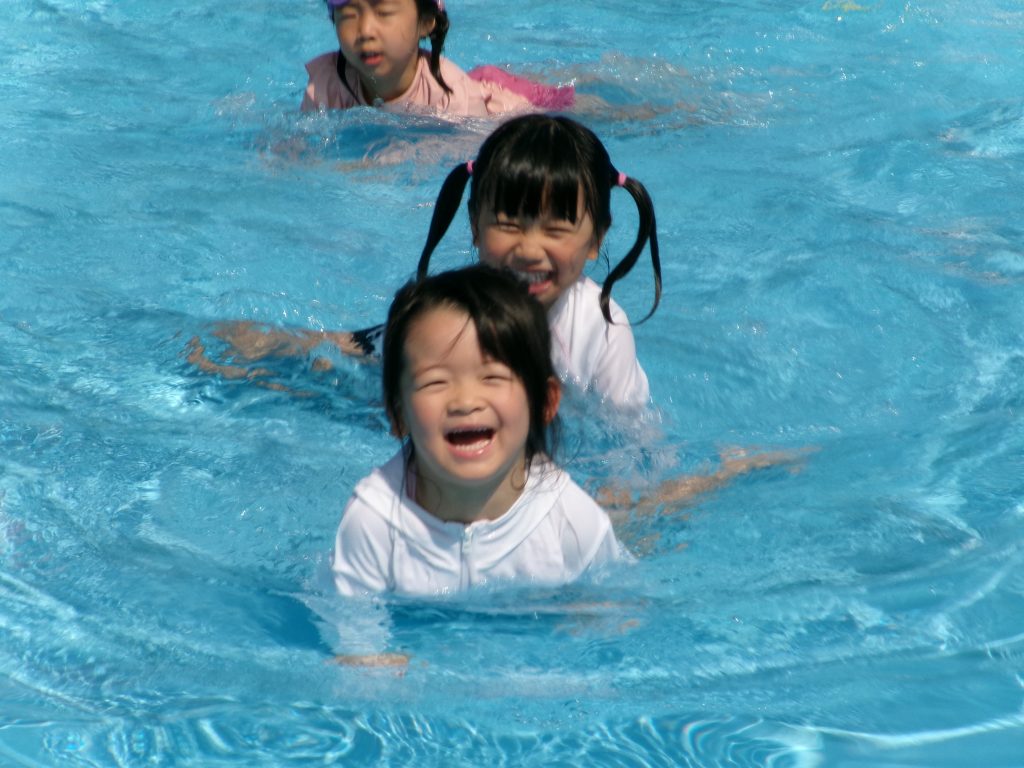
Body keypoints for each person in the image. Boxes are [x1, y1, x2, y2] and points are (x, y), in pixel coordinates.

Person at [188, 114, 661, 409]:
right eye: (508, 223)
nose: (529, 249)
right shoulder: (448, 312)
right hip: (389, 368)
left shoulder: (603, 330)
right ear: (474, 225)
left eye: (556, 229)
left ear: (596, 239)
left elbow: (628, 442)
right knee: (313, 363)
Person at [331, 264, 626, 598]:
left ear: (544, 403)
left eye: (492, 378)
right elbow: (352, 627)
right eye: (436, 382)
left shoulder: (572, 524)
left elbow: (607, 615)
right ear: (397, 413)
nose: (465, 401)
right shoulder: (374, 523)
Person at [301, 0, 574, 116]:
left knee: (575, 104)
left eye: (384, 12)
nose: (365, 31)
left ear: (425, 23)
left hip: (501, 104)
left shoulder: (453, 98)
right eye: (349, 15)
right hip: (469, 80)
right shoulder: (326, 82)